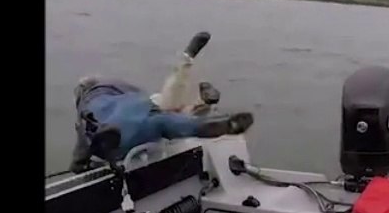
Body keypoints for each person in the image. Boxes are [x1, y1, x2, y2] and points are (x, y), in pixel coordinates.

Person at [69, 32, 253, 173]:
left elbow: (78, 159)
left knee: (95, 123)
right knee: (175, 118)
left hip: (110, 121)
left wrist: (83, 164)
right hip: (140, 111)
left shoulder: (87, 100)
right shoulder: (118, 88)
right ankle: (206, 104)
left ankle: (202, 103)